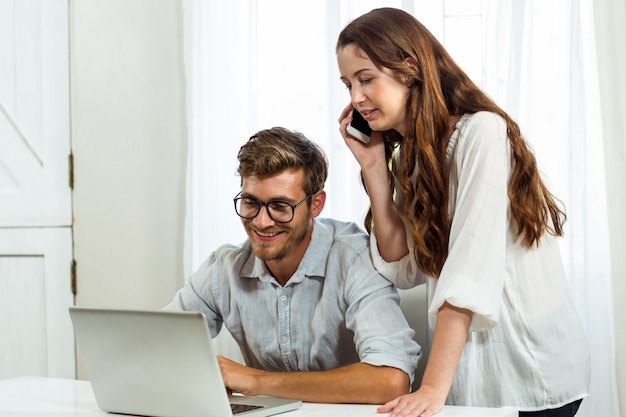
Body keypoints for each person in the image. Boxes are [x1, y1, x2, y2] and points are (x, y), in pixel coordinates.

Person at [336, 7, 590, 417]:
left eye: (366, 79)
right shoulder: (414, 157)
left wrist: (432, 387)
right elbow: (403, 266)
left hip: (528, 372)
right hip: (467, 378)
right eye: (348, 85)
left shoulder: (482, 133)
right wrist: (373, 168)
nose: (355, 98)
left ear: (410, 68)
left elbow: (468, 270)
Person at [164, 126, 420, 404]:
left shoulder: (354, 259)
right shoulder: (225, 268)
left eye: (280, 206)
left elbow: (391, 380)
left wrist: (257, 381)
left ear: (316, 204)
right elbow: (156, 344)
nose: (262, 222)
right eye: (250, 202)